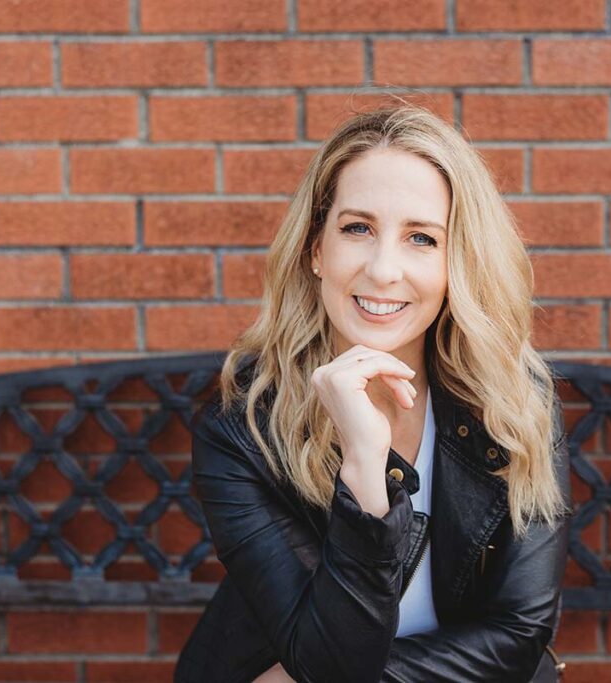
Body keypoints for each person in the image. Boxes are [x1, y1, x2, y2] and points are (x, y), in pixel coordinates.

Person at [174, 101, 574, 683]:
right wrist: (366, 468)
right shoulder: (242, 431)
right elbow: (329, 662)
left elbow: (519, 630)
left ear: (456, 261)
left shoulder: (516, 403)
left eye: (421, 238)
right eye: (358, 228)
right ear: (316, 248)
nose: (385, 270)